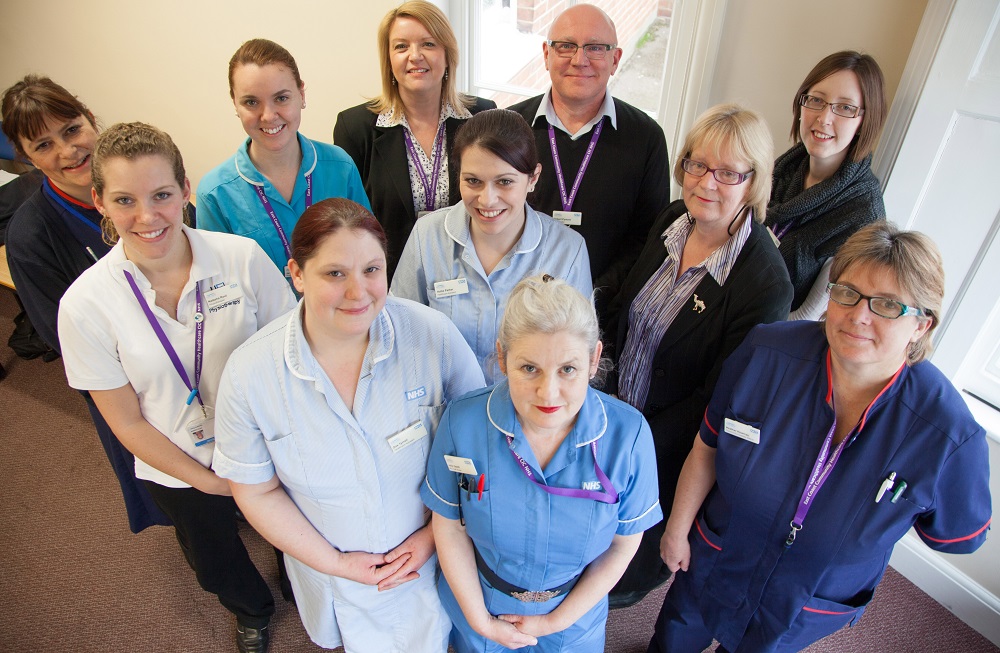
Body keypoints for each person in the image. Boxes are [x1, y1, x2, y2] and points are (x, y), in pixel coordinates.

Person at [651, 222, 991, 653]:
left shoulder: (950, 434)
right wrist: (676, 530)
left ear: (922, 325)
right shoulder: (766, 352)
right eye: (846, 292)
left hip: (804, 600)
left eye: (887, 305)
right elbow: (707, 446)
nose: (858, 315)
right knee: (675, 637)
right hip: (718, 555)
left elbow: (957, 537)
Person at [57, 122, 296, 653]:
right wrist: (208, 482)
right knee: (213, 560)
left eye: (162, 195)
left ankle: (295, 579)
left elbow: (290, 353)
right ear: (99, 201)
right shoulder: (85, 305)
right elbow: (126, 423)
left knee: (293, 529)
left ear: (185, 189)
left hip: (265, 439)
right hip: (175, 457)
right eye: (125, 200)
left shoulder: (241, 258)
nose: (147, 217)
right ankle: (251, 610)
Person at [211, 198, 486, 652]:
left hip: (435, 556)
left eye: (371, 270)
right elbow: (256, 491)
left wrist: (435, 534)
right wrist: (336, 563)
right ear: (296, 274)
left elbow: (479, 452)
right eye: (335, 273)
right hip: (330, 573)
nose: (359, 292)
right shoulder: (250, 373)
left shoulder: (431, 335)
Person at [605, 104, 793, 607]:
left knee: (622, 574)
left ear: (753, 182)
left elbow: (719, 400)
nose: (707, 182)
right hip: (616, 407)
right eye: (697, 164)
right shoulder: (673, 219)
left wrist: (636, 440)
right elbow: (628, 304)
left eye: (728, 172)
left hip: (671, 450)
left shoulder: (763, 284)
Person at [422, 273, 662, 652]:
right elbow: (449, 526)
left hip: (572, 619)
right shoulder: (463, 424)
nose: (548, 393)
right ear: (502, 357)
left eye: (568, 369)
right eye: (528, 368)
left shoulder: (629, 437)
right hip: (480, 607)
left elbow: (623, 545)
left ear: (594, 359)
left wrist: (555, 622)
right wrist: (479, 620)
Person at [1, 75, 170, 533]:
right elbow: (66, 338)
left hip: (191, 347)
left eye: (71, 129)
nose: (67, 151)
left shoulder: (140, 179)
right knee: (175, 493)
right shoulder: (31, 237)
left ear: (90, 120)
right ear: (26, 158)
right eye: (42, 144)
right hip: (130, 384)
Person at [391, 109, 591, 384]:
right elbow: (399, 331)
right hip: (443, 408)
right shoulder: (428, 235)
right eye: (473, 181)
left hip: (524, 414)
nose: (487, 200)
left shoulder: (568, 251)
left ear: (532, 178)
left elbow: (576, 355)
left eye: (505, 182)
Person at [507, 3, 670, 307]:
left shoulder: (647, 138)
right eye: (566, 46)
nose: (579, 60)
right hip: (515, 307)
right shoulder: (510, 129)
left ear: (615, 58)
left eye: (595, 48)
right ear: (546, 54)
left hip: (603, 313)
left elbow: (647, 241)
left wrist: (589, 297)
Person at [334, 0, 496, 280]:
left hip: (469, 275)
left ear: (447, 55)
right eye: (401, 46)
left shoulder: (481, 116)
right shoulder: (356, 127)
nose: (415, 55)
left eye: (428, 44)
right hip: (388, 279)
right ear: (388, 59)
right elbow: (349, 223)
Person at [198, 38, 370, 277]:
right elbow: (220, 285)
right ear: (235, 104)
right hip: (260, 315)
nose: (268, 116)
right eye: (251, 102)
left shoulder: (340, 167)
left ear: (301, 93)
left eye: (281, 98)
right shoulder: (215, 193)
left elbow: (368, 252)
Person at [765, 51, 888, 320]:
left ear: (864, 121)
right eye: (816, 100)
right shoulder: (782, 169)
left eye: (845, 108)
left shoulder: (862, 217)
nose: (824, 118)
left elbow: (807, 317)